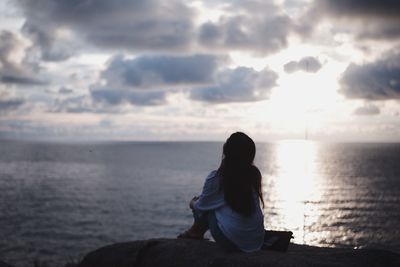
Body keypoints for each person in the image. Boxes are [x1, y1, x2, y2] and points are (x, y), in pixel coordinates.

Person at [178, 132, 265, 252]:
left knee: (207, 207)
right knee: (213, 203)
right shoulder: (254, 175)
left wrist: (192, 203)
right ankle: (194, 232)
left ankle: (194, 232)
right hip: (256, 241)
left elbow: (201, 206)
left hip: (232, 243)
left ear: (226, 152)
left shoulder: (217, 178)